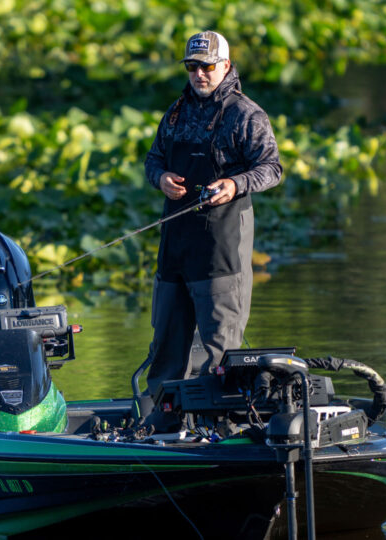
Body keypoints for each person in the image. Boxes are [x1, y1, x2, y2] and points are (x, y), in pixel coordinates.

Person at [143, 30, 283, 395]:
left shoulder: (247, 114)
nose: (199, 74)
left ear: (225, 66)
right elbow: (153, 158)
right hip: (174, 251)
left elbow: (271, 168)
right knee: (166, 350)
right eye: (192, 67)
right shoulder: (175, 113)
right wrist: (160, 178)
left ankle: (223, 423)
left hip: (221, 251)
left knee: (221, 351)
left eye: (206, 66)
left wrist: (235, 185)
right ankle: (160, 421)